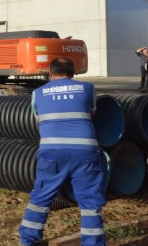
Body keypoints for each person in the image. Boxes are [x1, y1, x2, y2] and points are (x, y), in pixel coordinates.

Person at [19, 57, 106, 246]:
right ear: (73, 73)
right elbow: (92, 112)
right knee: (90, 203)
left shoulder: (37, 93)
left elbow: (39, 118)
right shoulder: (88, 88)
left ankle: (28, 241)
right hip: (85, 151)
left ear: (50, 73)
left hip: (52, 152)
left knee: (41, 198)